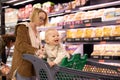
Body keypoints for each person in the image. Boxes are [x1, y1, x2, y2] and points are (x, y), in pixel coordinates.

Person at [8, 8, 48, 80]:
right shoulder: (23, 27)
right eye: (40, 18)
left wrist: (41, 50)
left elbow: (35, 47)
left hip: (33, 67)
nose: (42, 21)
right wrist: (36, 50)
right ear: (34, 16)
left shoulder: (37, 31)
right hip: (22, 66)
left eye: (43, 19)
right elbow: (21, 44)